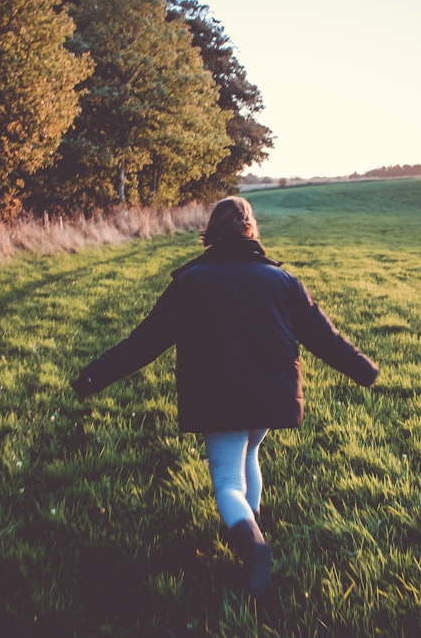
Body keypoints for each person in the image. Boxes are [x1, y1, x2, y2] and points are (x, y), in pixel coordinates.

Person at [71, 196, 378, 600]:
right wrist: (363, 368)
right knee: (250, 452)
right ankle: (252, 525)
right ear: (251, 229)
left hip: (219, 396)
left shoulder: (192, 282)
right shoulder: (283, 282)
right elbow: (326, 337)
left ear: (213, 230)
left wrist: (93, 376)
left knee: (228, 481)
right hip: (270, 395)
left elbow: (144, 343)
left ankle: (254, 548)